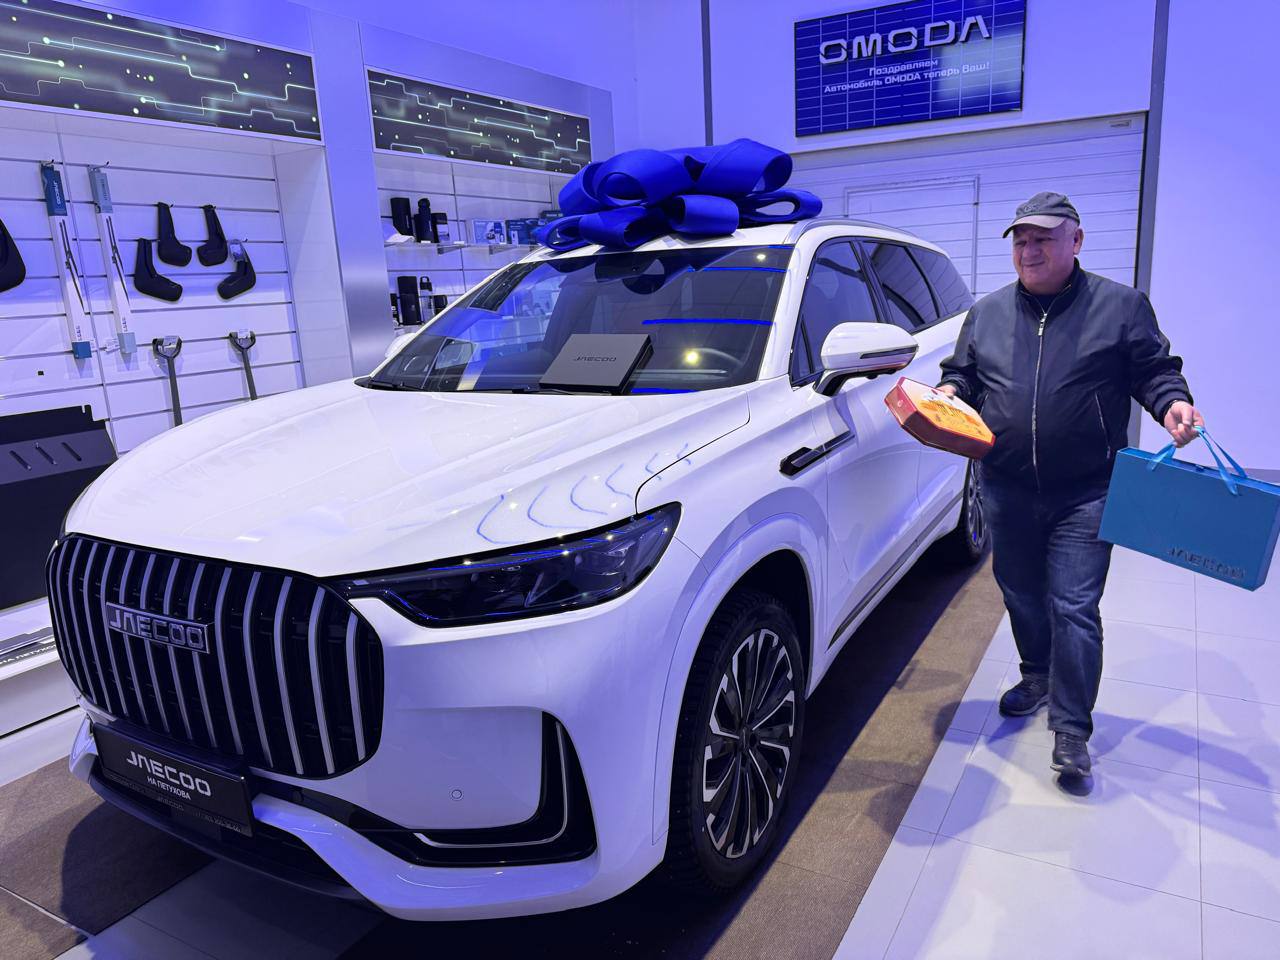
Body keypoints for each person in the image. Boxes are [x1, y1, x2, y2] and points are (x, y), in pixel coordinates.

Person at [937, 191, 1202, 778]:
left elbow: (1154, 370)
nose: (1029, 250)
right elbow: (965, 374)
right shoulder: (988, 313)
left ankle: (1072, 728)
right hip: (1005, 484)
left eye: (1043, 239)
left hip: (1088, 489)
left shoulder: (1121, 307)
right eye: (1020, 240)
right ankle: (1036, 675)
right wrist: (950, 393)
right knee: (1020, 594)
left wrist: (1172, 404)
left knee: (1074, 605)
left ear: (1075, 241)